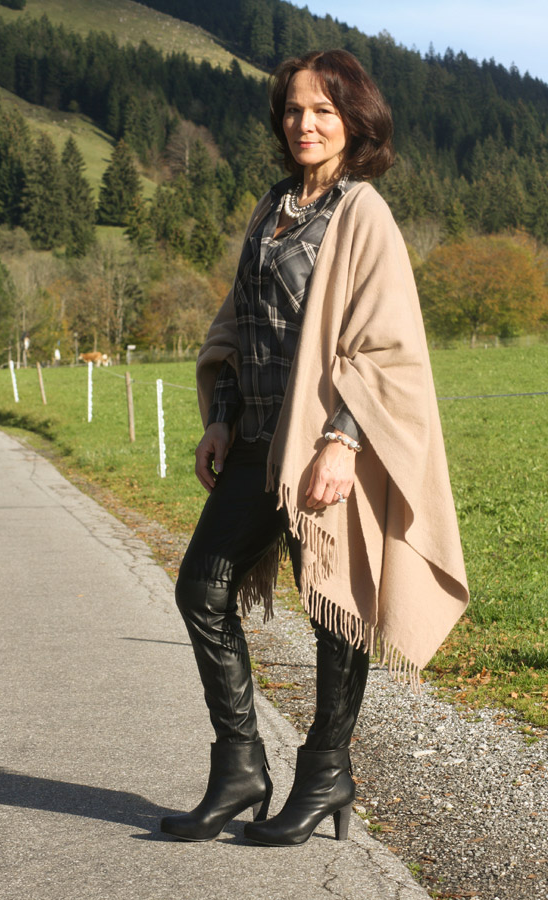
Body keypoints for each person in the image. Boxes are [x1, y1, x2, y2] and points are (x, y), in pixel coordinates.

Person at [161, 49, 468, 847]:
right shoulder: (272, 206)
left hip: (327, 448)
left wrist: (341, 441)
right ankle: (240, 768)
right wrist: (220, 415)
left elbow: (386, 345)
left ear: (354, 121)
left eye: (324, 111)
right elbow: (239, 324)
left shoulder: (363, 213)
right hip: (259, 443)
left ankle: (327, 771)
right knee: (201, 589)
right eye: (294, 109)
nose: (305, 123)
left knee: (335, 608)